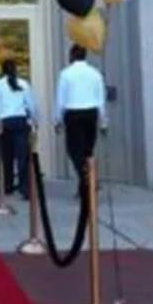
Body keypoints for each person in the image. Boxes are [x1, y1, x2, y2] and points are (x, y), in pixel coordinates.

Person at [54, 45, 108, 197]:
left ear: (71, 56)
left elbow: (60, 99)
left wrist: (57, 119)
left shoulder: (65, 74)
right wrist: (104, 122)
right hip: (91, 113)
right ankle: (85, 186)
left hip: (73, 114)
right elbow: (100, 100)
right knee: (87, 150)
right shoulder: (95, 73)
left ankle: (87, 178)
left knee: (73, 150)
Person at [0, 59, 39, 200]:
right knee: (22, 157)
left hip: (5, 123)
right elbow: (31, 105)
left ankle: (8, 186)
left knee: (7, 157)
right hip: (21, 122)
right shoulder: (24, 84)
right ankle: (24, 188)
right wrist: (35, 120)